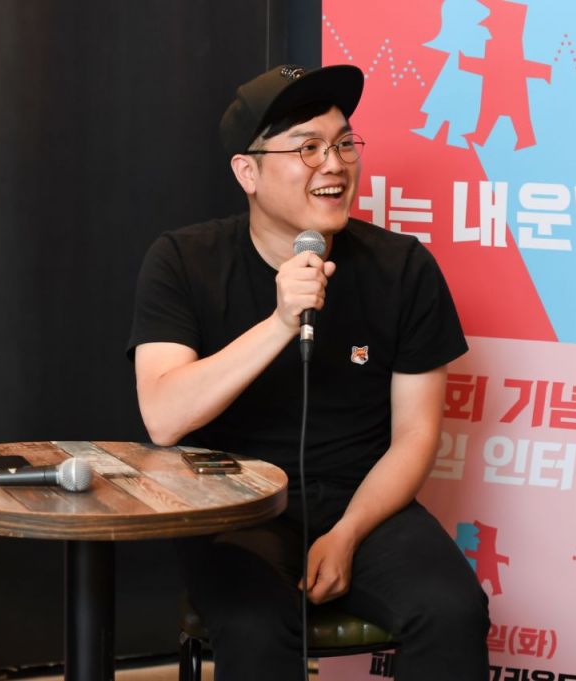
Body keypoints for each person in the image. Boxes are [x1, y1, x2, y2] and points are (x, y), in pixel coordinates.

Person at [128, 65, 490, 680]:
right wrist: (279, 322)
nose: (334, 164)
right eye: (308, 148)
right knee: (255, 627)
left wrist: (348, 532)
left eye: (344, 144)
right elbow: (164, 417)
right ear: (248, 173)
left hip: (364, 503)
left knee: (450, 610)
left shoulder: (403, 268)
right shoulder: (183, 261)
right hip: (234, 508)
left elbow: (416, 435)